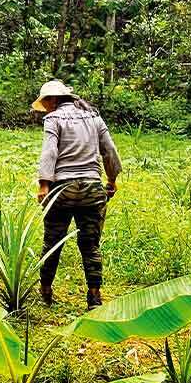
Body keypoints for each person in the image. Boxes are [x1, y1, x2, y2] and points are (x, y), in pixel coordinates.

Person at [32, 80, 121, 309]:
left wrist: (44, 185)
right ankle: (94, 296)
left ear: (53, 100)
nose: (46, 107)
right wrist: (111, 180)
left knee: (52, 241)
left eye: (46, 102)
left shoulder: (53, 119)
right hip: (92, 188)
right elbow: (109, 151)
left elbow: (49, 152)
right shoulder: (94, 117)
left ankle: (46, 289)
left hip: (62, 190)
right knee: (90, 245)